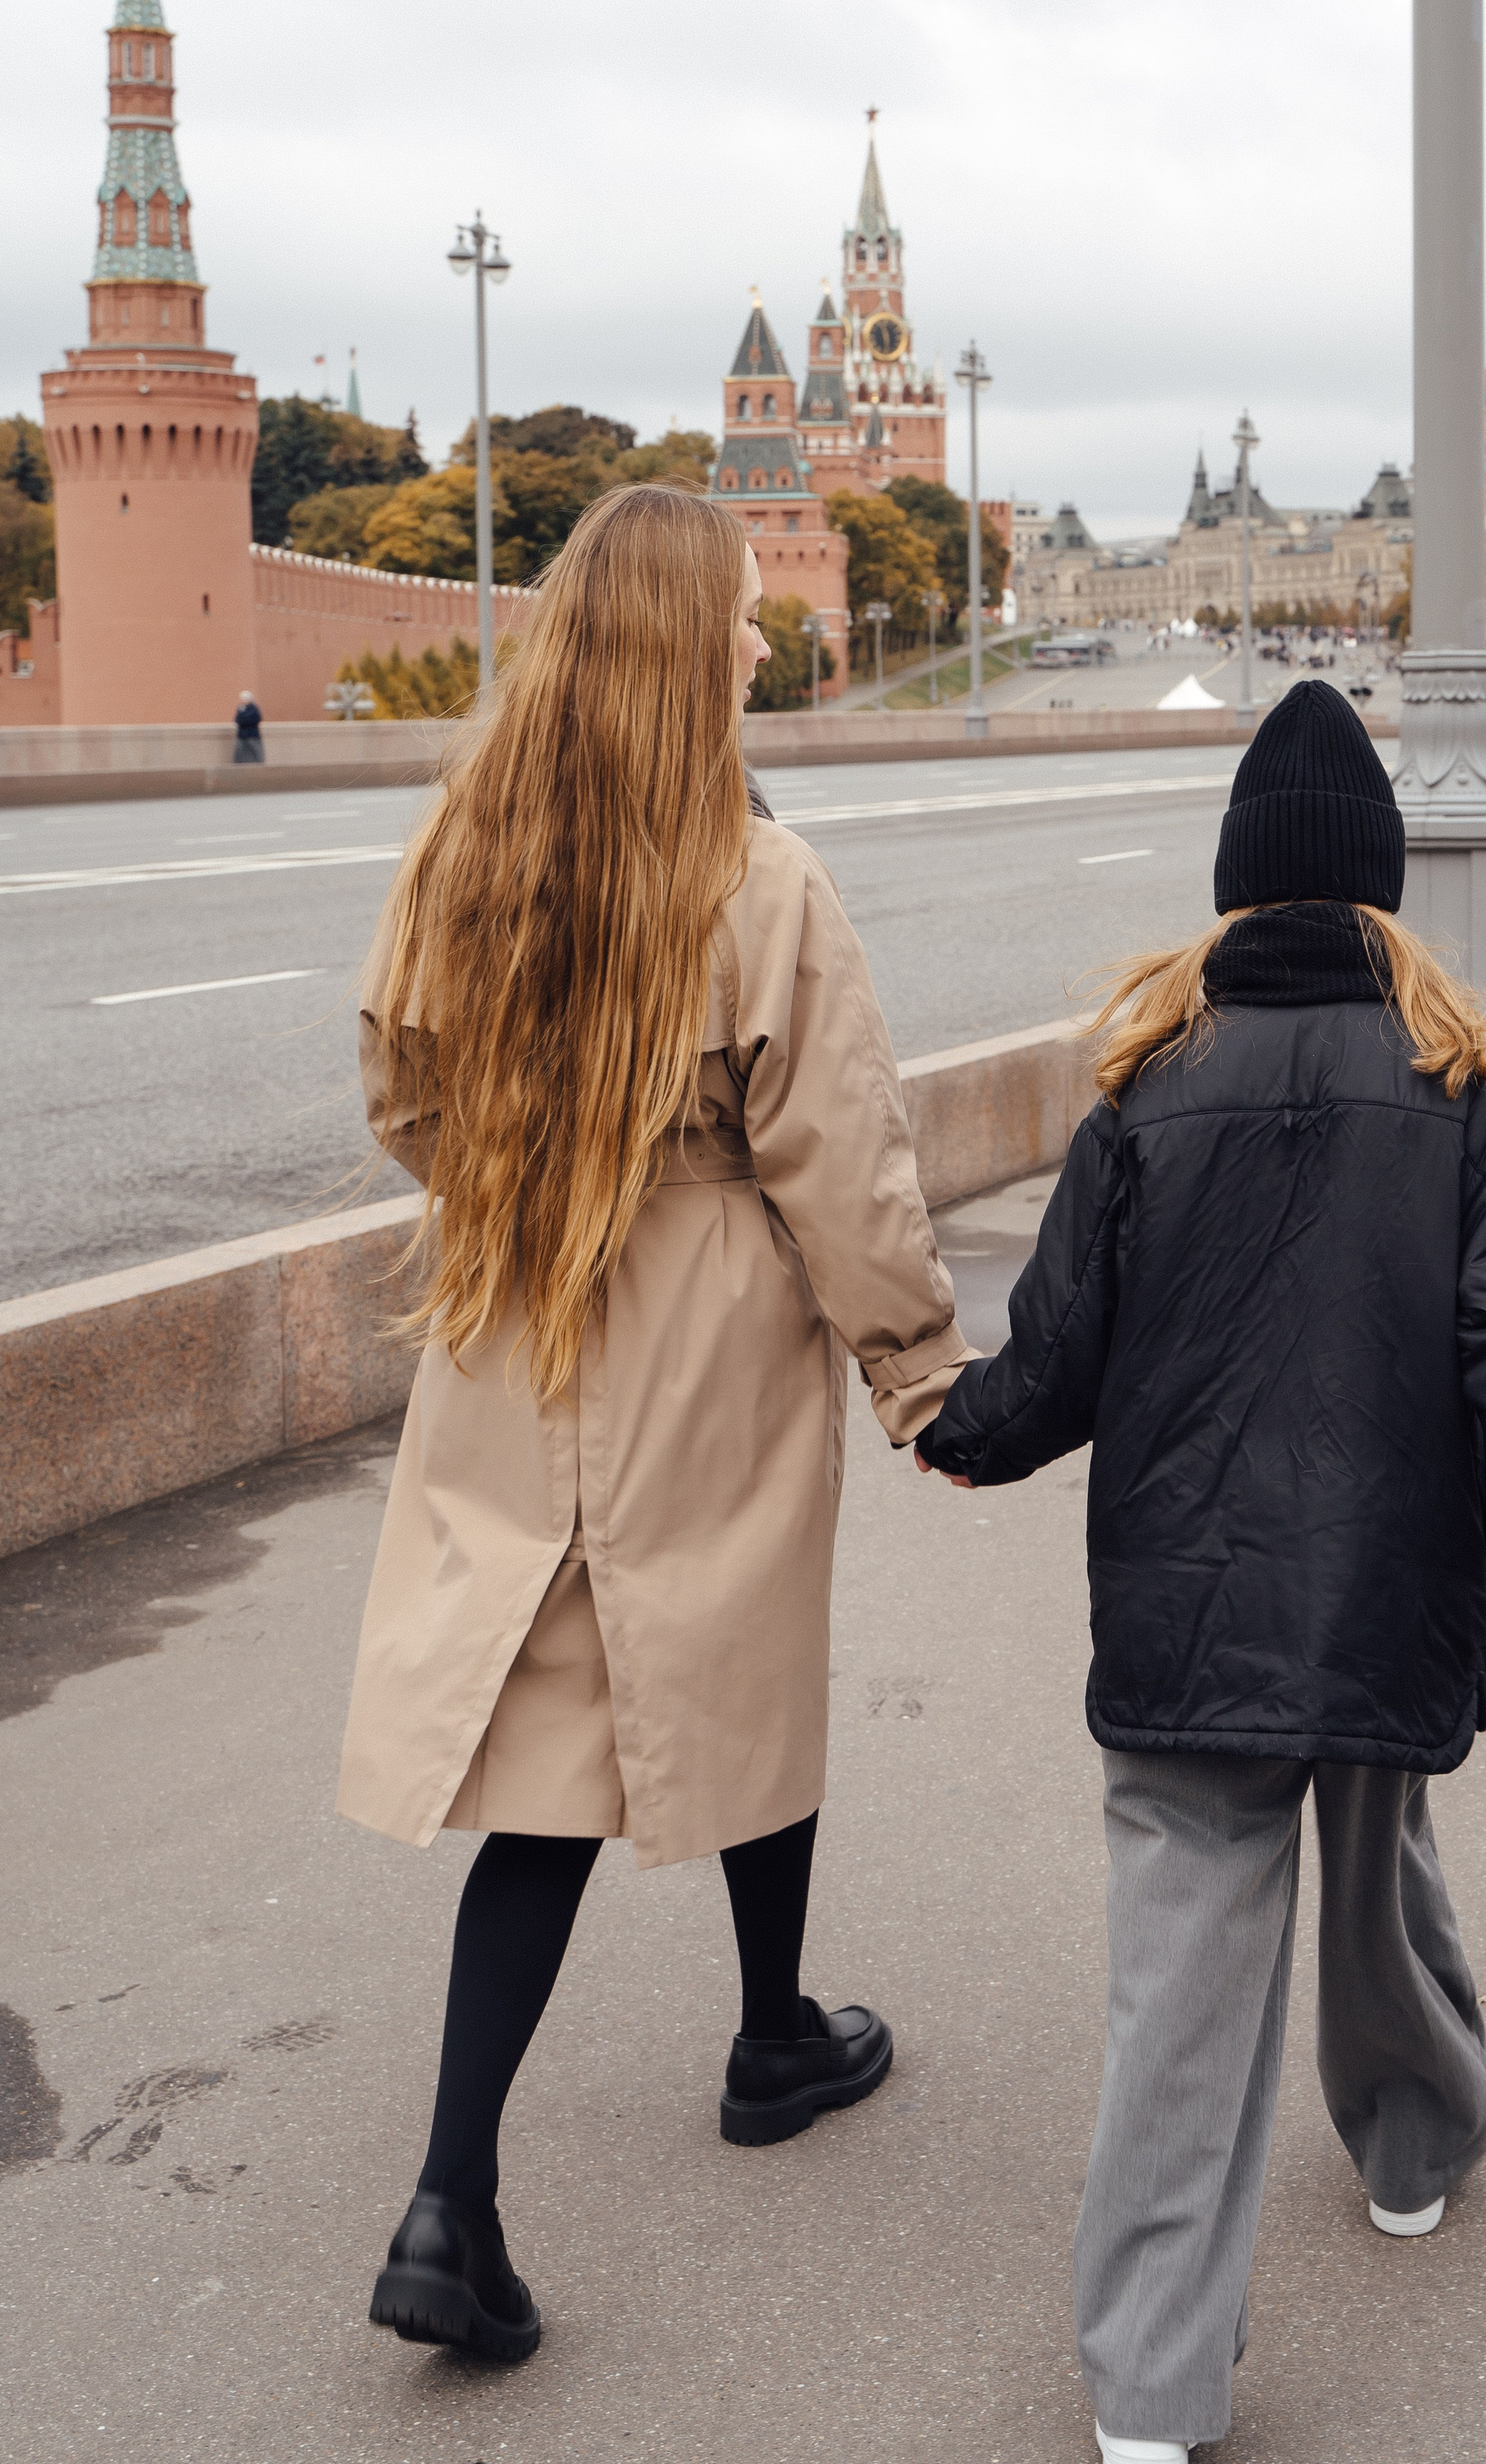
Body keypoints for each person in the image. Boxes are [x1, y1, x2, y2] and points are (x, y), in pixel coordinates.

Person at [915, 678, 1486, 2462]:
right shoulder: (1468, 1092)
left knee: (1180, 1966)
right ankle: (1410, 2144)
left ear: (1232, 894)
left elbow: (1053, 1357)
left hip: (1185, 1595)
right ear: (1381, 896)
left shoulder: (1142, 1095)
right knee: (1373, 1833)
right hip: (1389, 1583)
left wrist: (957, 1426)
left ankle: (1155, 2390)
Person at [340, 484, 970, 2362]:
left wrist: (518, 1187)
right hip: (705, 1312)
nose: (765, 640)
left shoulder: (463, 845)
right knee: (739, 1644)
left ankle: (465, 2190)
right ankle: (759, 2040)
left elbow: (397, 1080)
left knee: (549, 1746)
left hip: (523, 1308)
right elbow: (838, 1155)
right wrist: (918, 1371)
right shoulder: (755, 876)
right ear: (689, 645)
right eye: (743, 617)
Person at [233, 688, 263, 762]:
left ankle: (259, 764)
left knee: (256, 751)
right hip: (242, 735)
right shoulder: (241, 708)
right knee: (239, 752)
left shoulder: (253, 709)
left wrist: (245, 719)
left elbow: (254, 719)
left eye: (245, 698)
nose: (243, 700)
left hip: (252, 734)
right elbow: (237, 719)